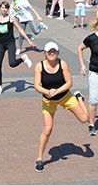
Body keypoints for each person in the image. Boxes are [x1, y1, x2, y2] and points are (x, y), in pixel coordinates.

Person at [34, 42, 88, 172]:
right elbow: (36, 85)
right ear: (45, 53)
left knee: (84, 119)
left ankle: (79, 98)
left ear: (57, 52)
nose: (52, 53)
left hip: (65, 96)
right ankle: (39, 159)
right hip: (48, 101)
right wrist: (47, 92)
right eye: (49, 51)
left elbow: (69, 82)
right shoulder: (39, 66)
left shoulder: (62, 64)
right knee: (47, 130)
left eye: (54, 51)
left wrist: (56, 91)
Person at [0, 1, 33, 95]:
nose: (4, 9)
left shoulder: (11, 18)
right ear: (0, 8)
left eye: (6, 8)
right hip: (1, 44)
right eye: (2, 7)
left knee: (12, 63)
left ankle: (23, 58)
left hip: (10, 43)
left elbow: (20, 29)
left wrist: (28, 40)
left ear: (8, 9)